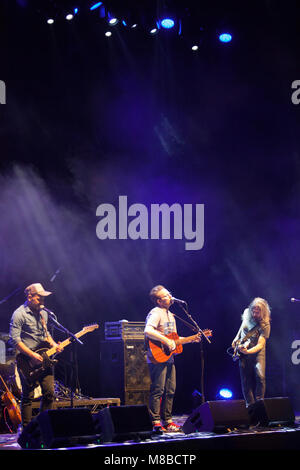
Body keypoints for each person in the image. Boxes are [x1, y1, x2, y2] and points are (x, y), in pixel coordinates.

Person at [144, 285, 200, 432]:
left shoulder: (171, 315)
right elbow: (148, 330)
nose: (170, 297)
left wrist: (191, 339)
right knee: (158, 389)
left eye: (169, 294)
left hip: (168, 358)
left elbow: (174, 338)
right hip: (156, 357)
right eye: (166, 295)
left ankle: (168, 420)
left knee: (170, 389)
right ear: (158, 300)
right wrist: (166, 341)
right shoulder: (156, 313)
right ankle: (155, 421)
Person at [9, 283, 63, 428]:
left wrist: (53, 345)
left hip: (45, 359)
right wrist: (32, 354)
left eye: (44, 298)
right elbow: (14, 340)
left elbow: (46, 335)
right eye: (40, 298)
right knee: (28, 396)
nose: (43, 302)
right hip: (27, 361)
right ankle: (27, 429)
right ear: (30, 296)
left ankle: (41, 426)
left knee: (49, 394)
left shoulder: (43, 313)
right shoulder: (19, 314)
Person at [231, 297, 271, 408]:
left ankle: (259, 405)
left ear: (263, 312)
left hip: (258, 353)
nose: (254, 314)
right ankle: (250, 406)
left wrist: (248, 352)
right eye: (253, 311)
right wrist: (235, 339)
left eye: (257, 312)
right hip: (243, 350)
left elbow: (260, 345)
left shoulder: (266, 325)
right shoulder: (246, 312)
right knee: (245, 380)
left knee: (260, 377)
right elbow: (242, 327)